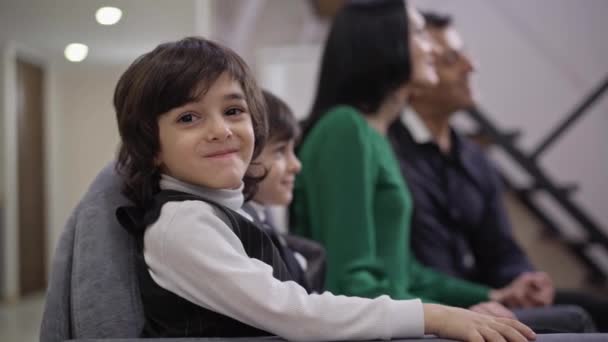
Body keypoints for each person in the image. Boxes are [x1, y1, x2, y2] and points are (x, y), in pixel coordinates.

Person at [111, 35, 534, 341]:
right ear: (151, 148)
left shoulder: (228, 211)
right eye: (189, 117)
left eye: (233, 110)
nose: (221, 130)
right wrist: (432, 317)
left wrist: (454, 310)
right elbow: (292, 312)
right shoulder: (182, 223)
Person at [388, 10, 606, 331]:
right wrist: (489, 296)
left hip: (489, 296)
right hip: (436, 308)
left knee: (595, 309)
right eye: (450, 59)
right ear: (415, 79)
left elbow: (500, 248)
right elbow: (408, 270)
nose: (471, 66)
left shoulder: (476, 158)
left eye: (465, 54)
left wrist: (523, 282)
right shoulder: (386, 152)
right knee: (576, 319)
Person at [243, 90, 326, 293]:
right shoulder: (246, 236)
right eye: (280, 151)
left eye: (292, 150)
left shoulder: (264, 224)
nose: (296, 165)